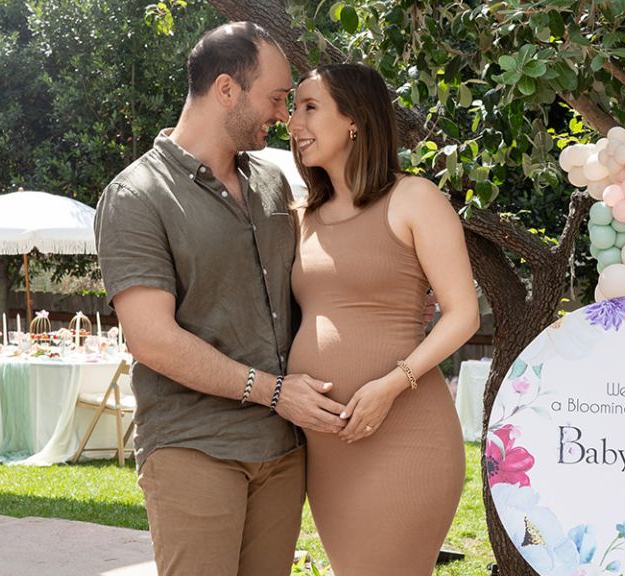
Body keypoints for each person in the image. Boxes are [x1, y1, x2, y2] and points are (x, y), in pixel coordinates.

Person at [94, 22, 347, 576]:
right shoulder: (136, 197)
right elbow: (152, 340)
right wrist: (275, 393)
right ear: (227, 89)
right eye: (277, 98)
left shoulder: (272, 184)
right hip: (194, 445)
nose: (284, 115)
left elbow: (302, 292)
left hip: (282, 451)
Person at [286, 63, 480, 575]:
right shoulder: (300, 215)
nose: (293, 122)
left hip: (405, 433)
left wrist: (391, 386)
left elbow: (463, 315)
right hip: (329, 447)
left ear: (354, 119)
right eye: (291, 109)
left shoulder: (413, 197)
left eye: (309, 107)